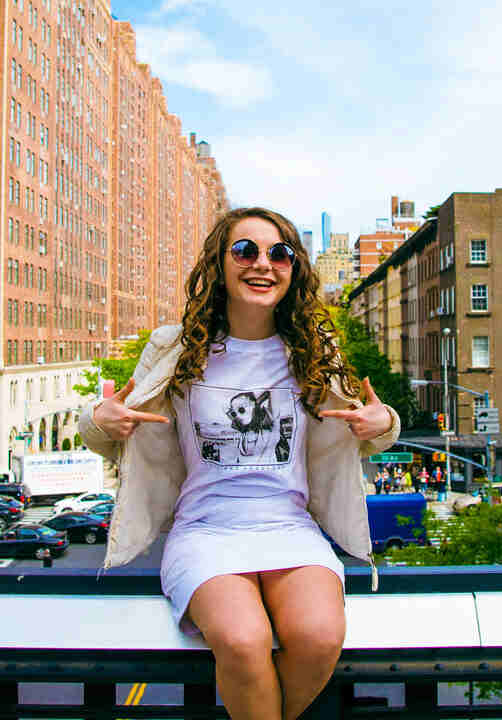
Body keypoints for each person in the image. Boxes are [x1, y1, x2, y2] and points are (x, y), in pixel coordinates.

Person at [81, 207, 400, 720]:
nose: (263, 264)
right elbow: (106, 432)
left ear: (294, 269)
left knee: (319, 636)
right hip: (206, 530)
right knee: (243, 638)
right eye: (245, 250)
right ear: (219, 264)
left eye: (280, 253)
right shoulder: (175, 346)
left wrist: (383, 423)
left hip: (290, 526)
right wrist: (102, 418)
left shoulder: (313, 350)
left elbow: (367, 429)